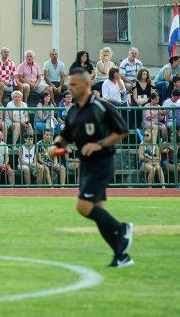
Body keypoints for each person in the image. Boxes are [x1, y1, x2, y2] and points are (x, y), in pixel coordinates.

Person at [50, 68, 134, 268]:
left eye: (74, 84)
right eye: (69, 84)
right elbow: (66, 135)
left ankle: (123, 228)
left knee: (83, 206)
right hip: (86, 164)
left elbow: (121, 131)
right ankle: (121, 257)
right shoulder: (74, 111)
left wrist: (99, 144)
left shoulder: (100, 107)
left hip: (102, 162)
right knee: (98, 213)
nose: (70, 88)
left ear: (86, 85)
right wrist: (57, 145)